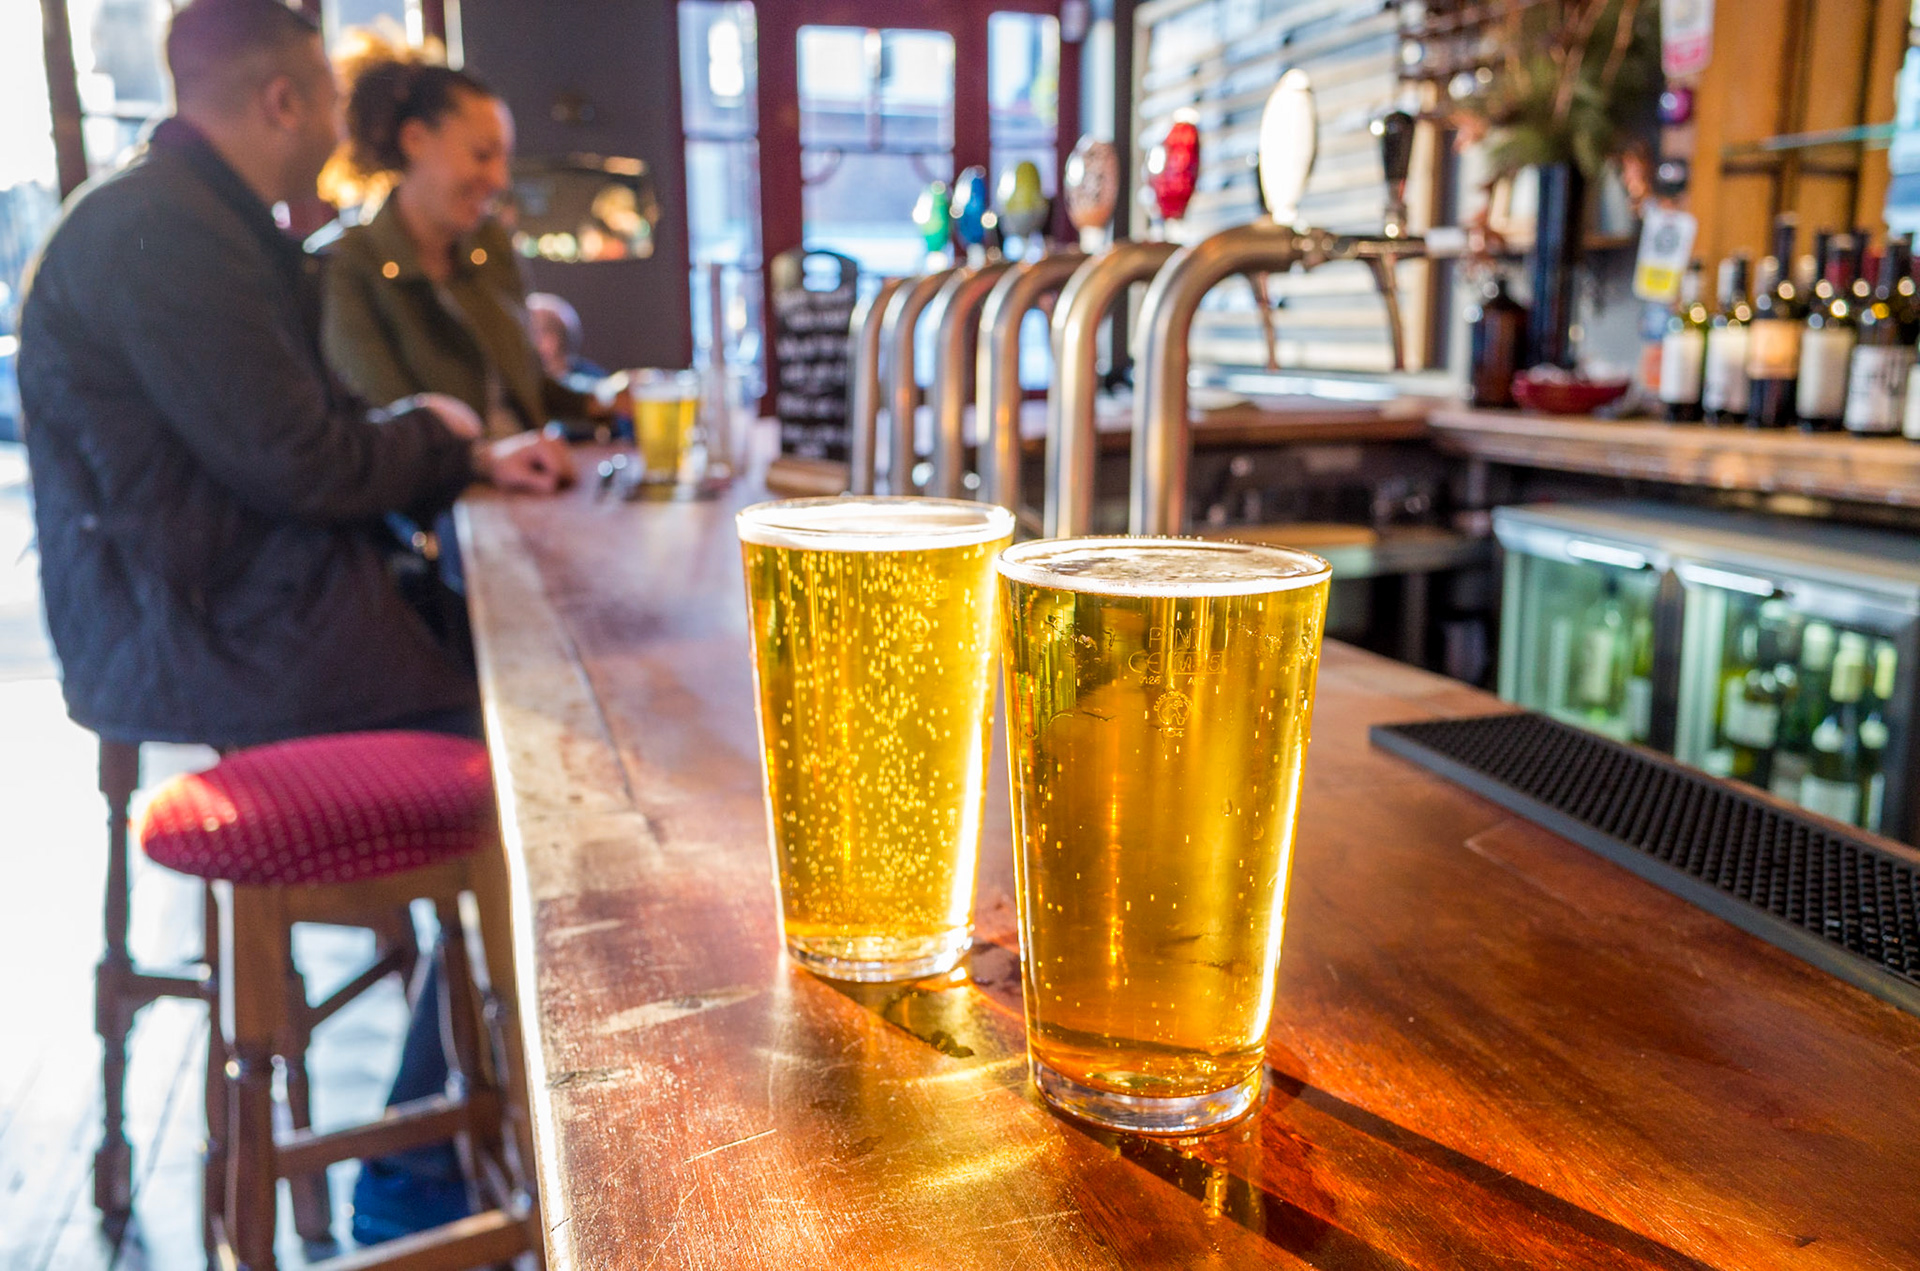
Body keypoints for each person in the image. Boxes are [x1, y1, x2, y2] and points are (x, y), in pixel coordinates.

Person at [17, 0, 572, 1244]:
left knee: (532, 700)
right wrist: (442, 439)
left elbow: (293, 450)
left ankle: (448, 1130)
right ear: (282, 101)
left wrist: (434, 446)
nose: (340, 119)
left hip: (214, 605)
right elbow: (305, 462)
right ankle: (422, 1170)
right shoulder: (172, 234)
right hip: (199, 632)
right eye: (326, 93)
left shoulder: (192, 220)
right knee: (551, 774)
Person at [320, 40, 615, 441]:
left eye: (503, 159)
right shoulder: (345, 265)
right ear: (414, 140)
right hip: (449, 481)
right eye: (482, 155)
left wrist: (604, 400)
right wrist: (490, 462)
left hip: (532, 472)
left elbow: (526, 386)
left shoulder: (489, 242)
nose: (500, 179)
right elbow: (389, 429)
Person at [527, 291, 608, 392]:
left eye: (537, 332)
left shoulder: (594, 385)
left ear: (555, 338)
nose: (530, 341)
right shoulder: (521, 384)